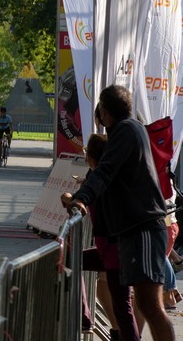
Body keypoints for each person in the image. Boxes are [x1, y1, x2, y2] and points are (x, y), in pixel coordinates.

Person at [61, 86, 175, 341]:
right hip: (134, 230)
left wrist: (81, 199)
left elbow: (104, 171)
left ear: (103, 110)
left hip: (142, 228)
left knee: (150, 305)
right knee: (145, 305)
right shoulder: (128, 131)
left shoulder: (125, 130)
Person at [78, 134, 139, 341]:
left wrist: (73, 199)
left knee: (123, 308)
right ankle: (86, 316)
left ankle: (120, 335)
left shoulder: (104, 182)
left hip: (117, 253)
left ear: (92, 159)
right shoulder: (100, 179)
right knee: (70, 259)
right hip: (109, 252)